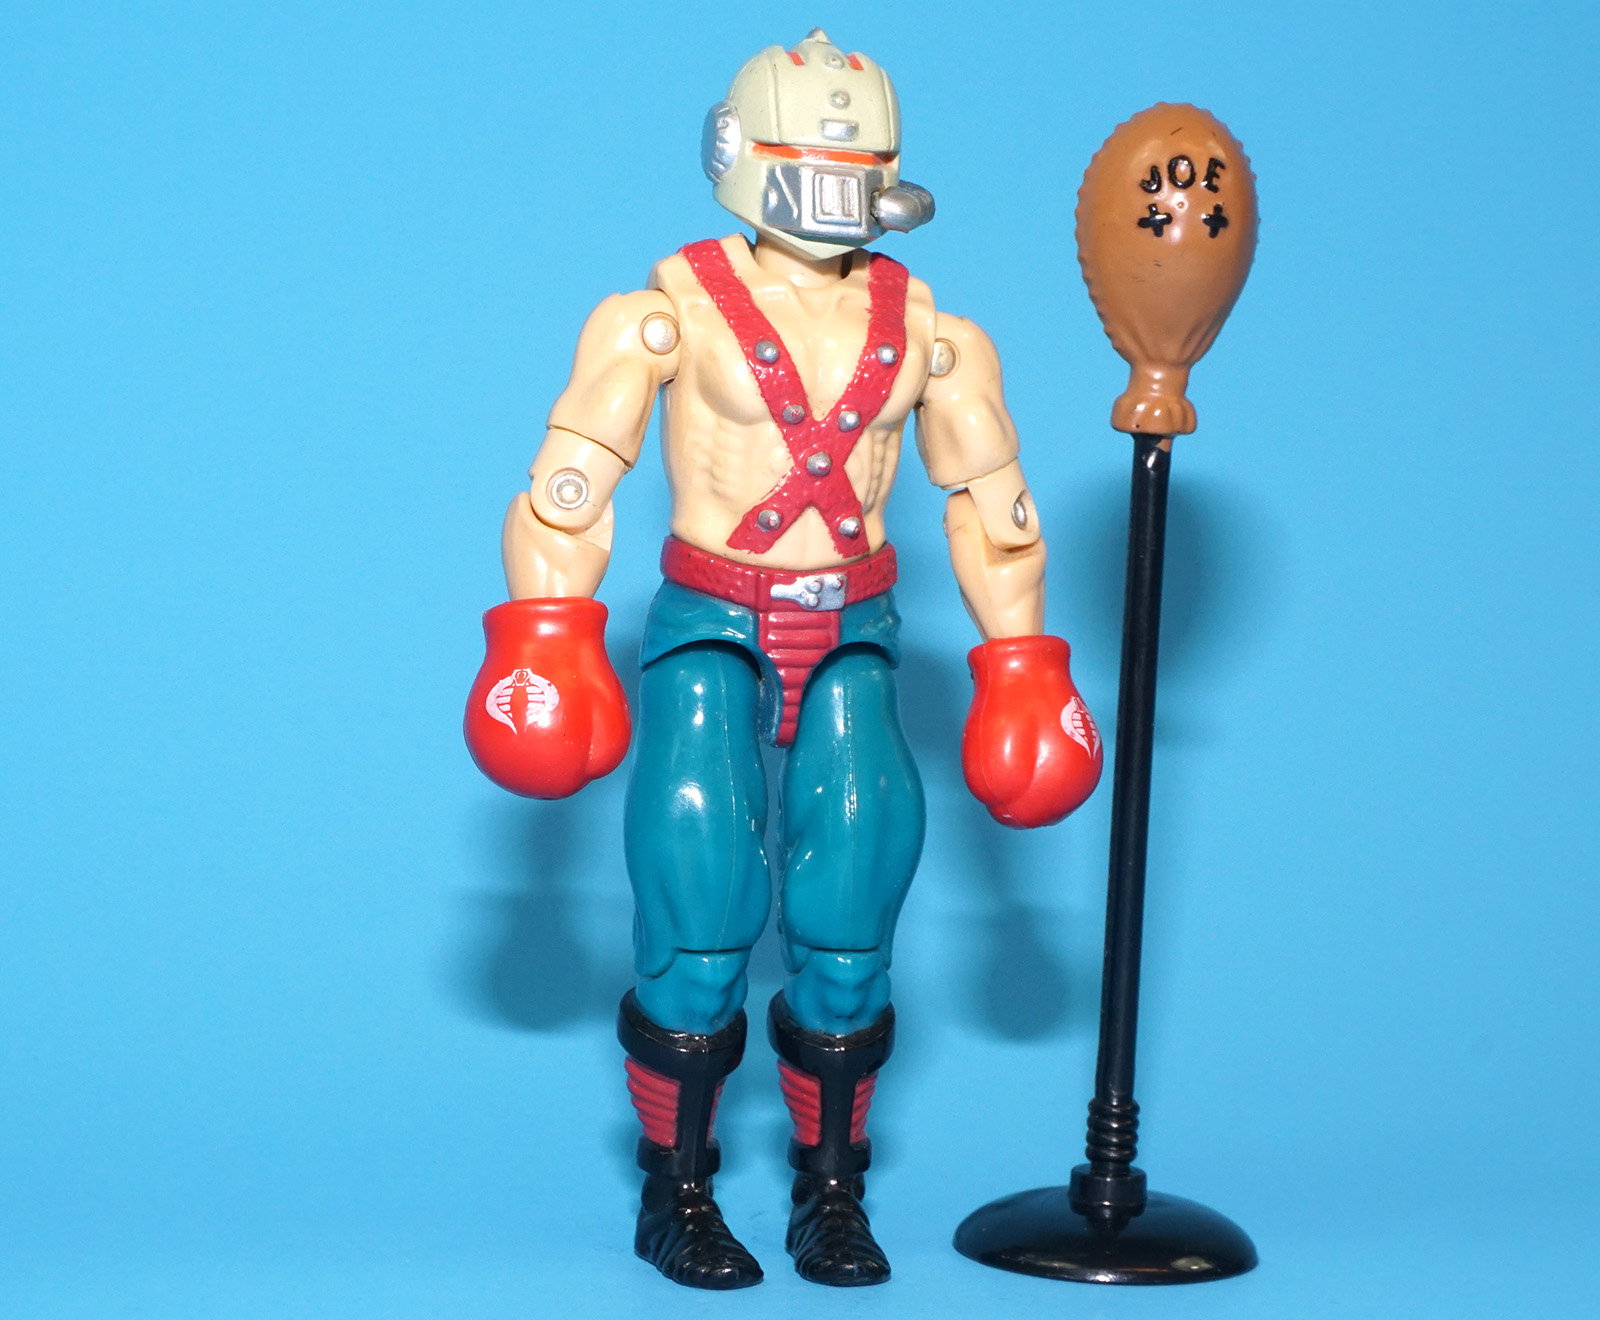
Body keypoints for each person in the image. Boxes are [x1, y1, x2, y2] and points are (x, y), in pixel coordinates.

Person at [465, 29, 1102, 1290]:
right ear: (739, 156)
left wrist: (1022, 659)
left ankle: (832, 1193)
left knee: (851, 920)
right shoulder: (663, 318)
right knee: (696, 908)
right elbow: (568, 489)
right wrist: (544, 628)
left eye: (857, 171)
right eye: (813, 165)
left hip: (855, 625)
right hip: (711, 620)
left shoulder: (933, 335)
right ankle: (678, 1192)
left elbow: (990, 507)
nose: (835, 193)